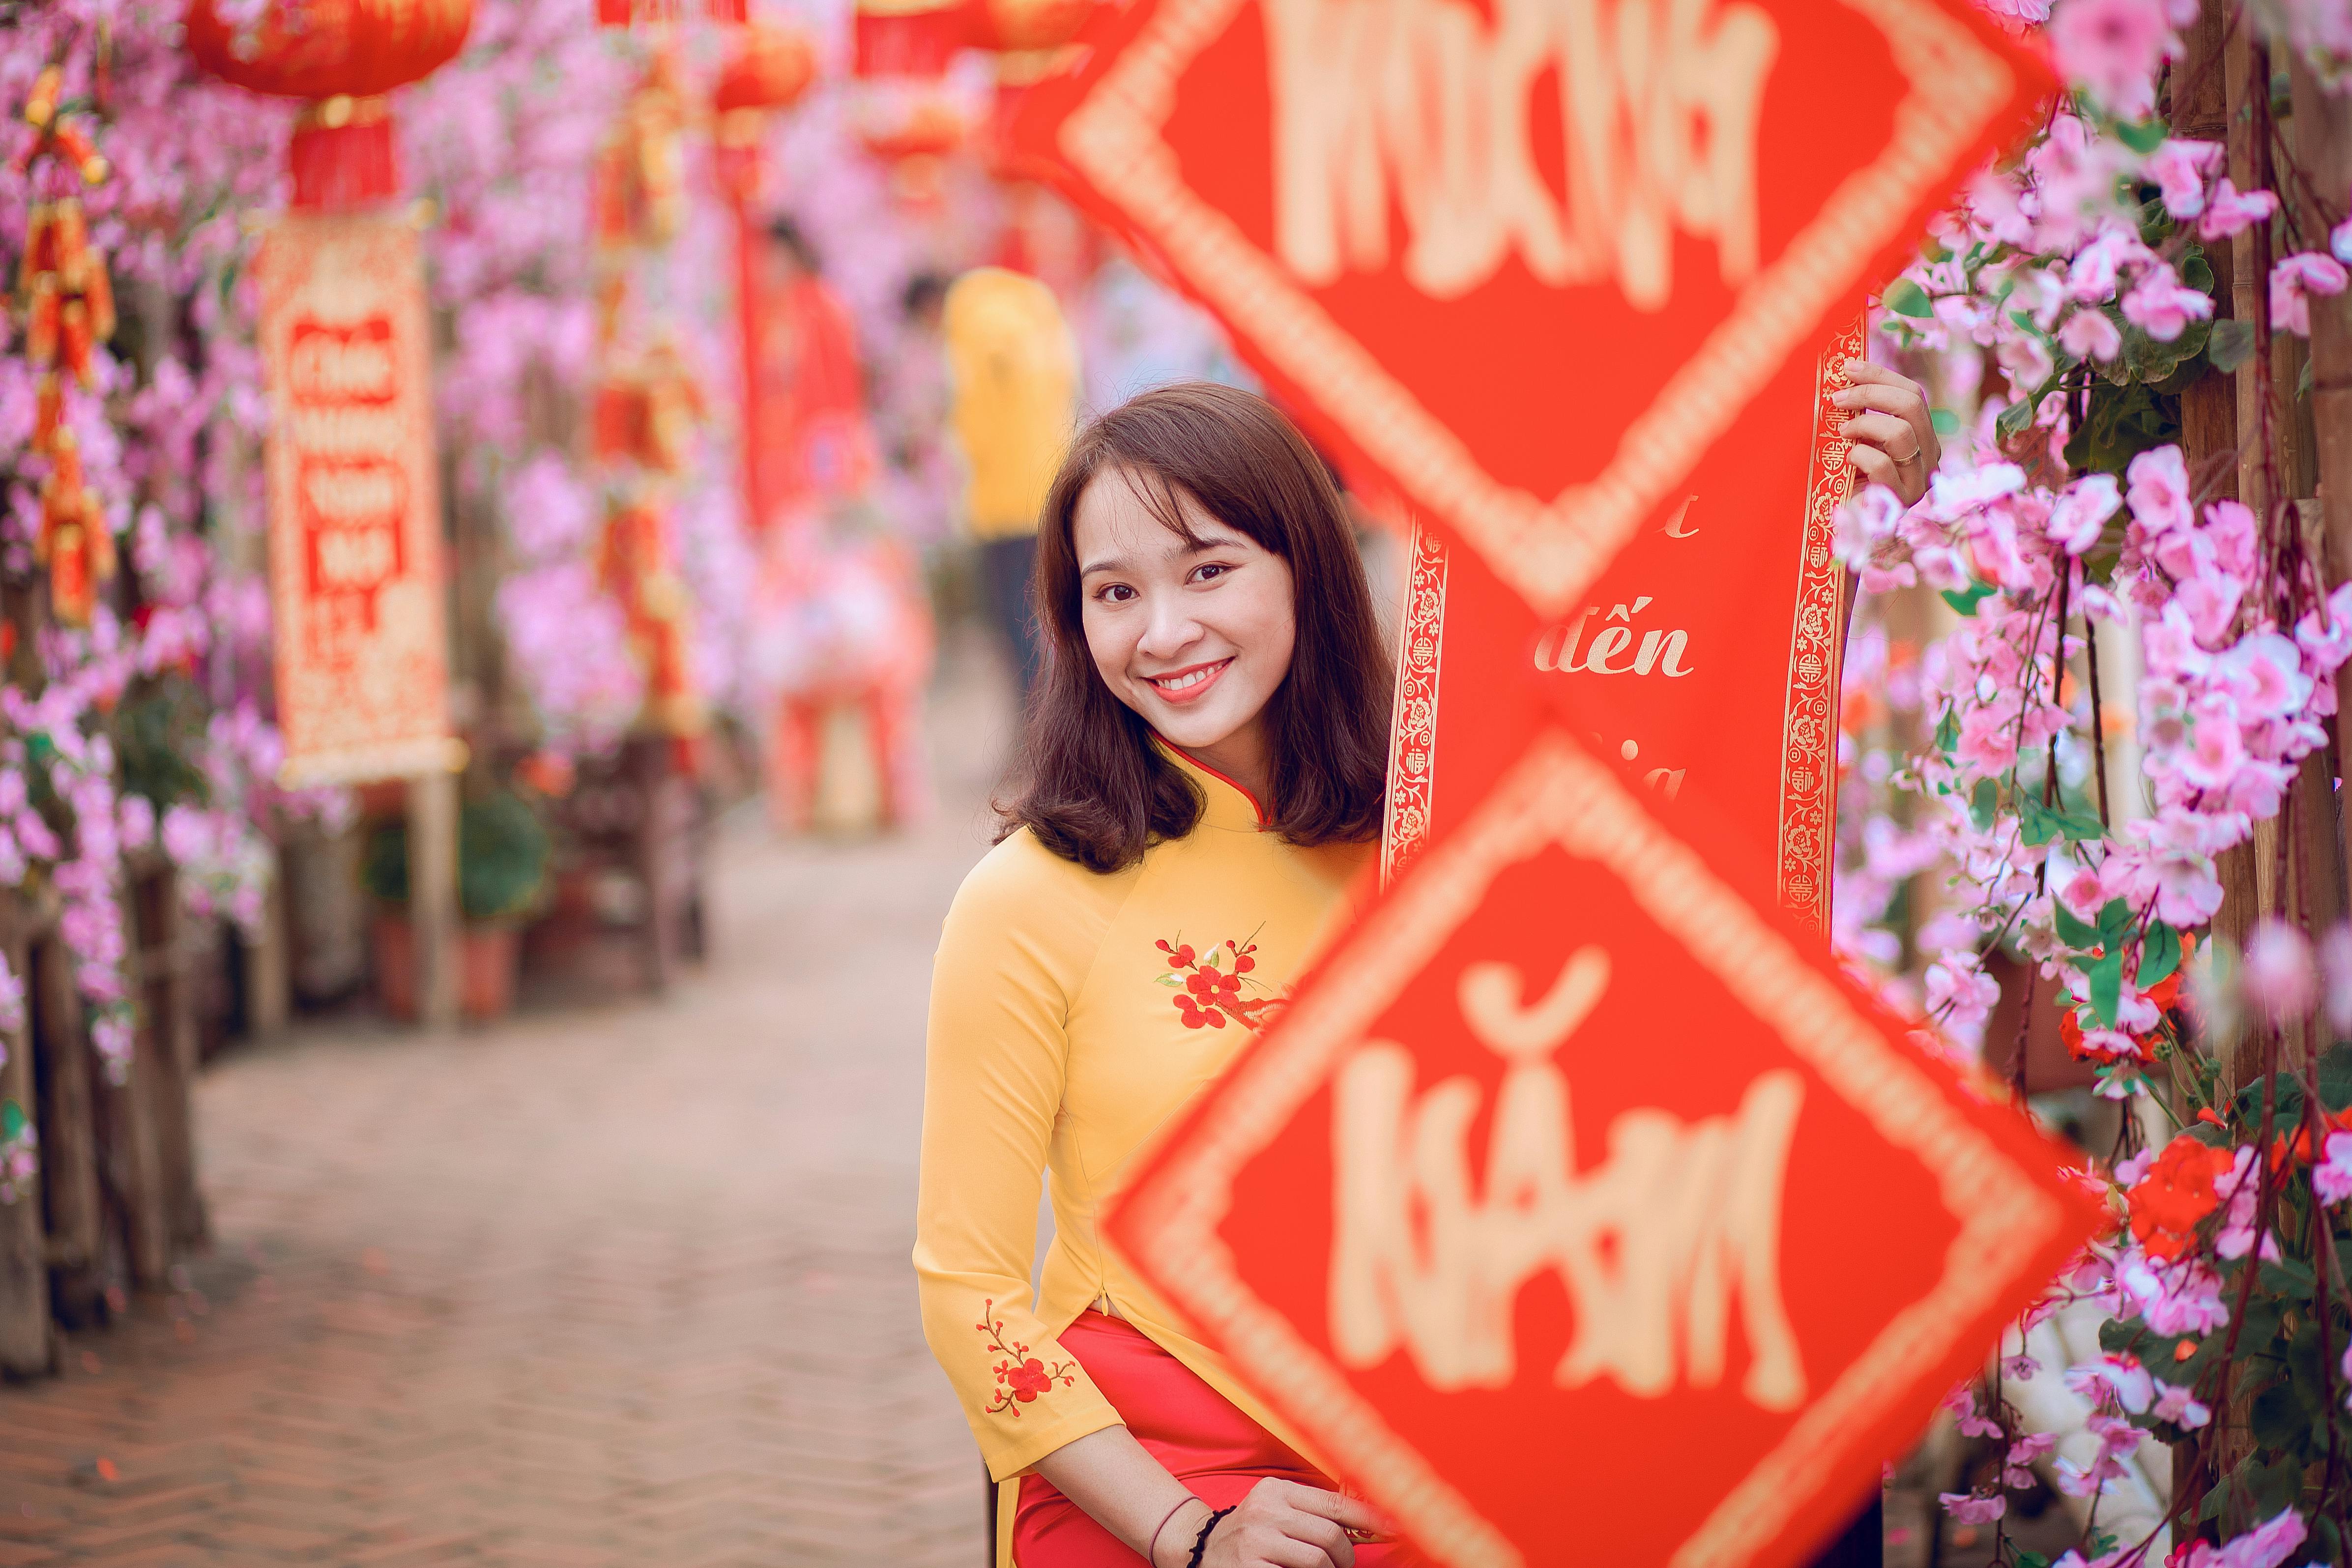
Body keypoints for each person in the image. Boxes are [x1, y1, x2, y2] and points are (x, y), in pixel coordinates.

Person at [915, 374, 1939, 1568]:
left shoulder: (1443, 822)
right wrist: (1192, 1532)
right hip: (1158, 1464)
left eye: (1207, 570)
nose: (1161, 632)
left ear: (1307, 564)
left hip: (1433, 1462)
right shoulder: (1034, 897)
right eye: (1112, 593)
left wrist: (1831, 521)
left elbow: (1698, 760)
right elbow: (970, 1286)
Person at [943, 265, 1082, 702]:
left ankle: (1035, 724)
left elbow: (978, 427)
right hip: (1051, 488)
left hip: (1001, 503)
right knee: (1054, 613)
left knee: (1014, 620)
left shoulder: (971, 329)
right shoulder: (1038, 315)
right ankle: (1062, 716)